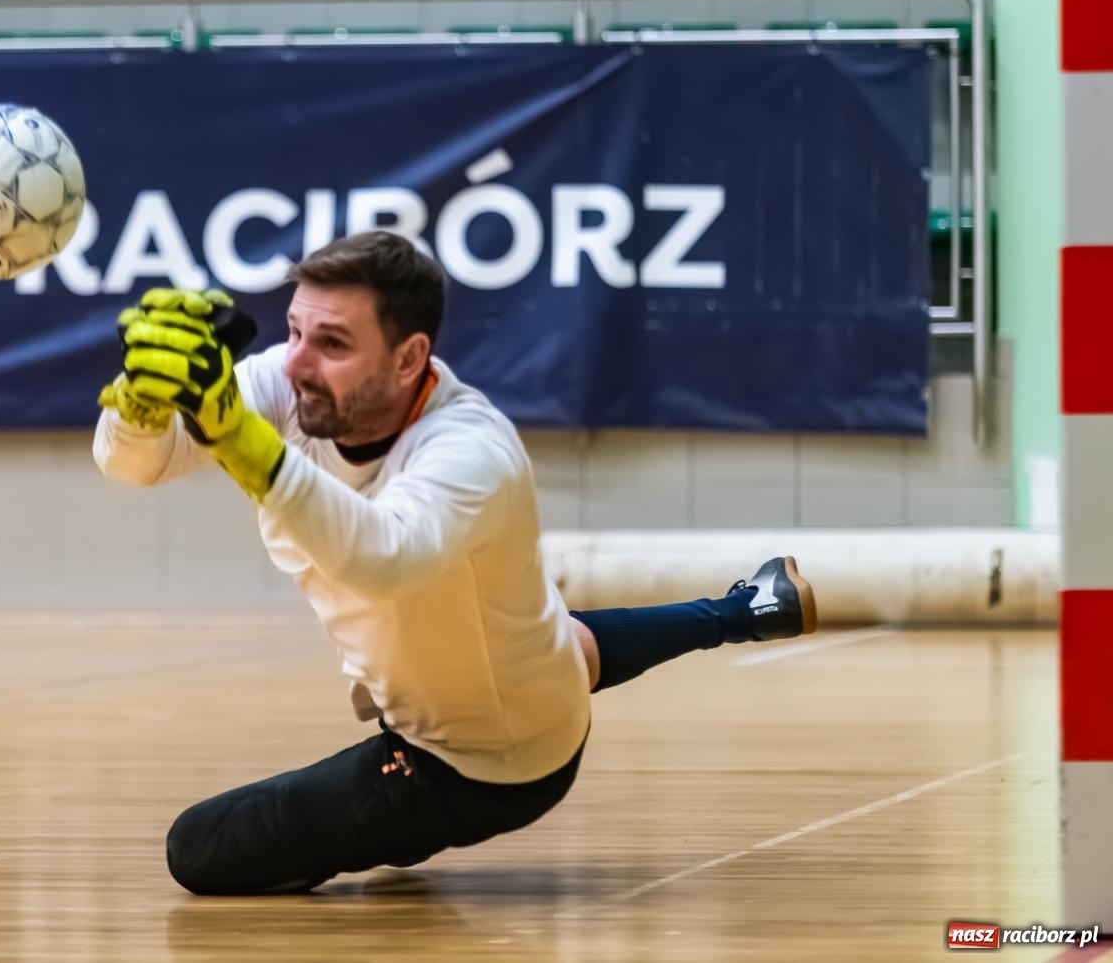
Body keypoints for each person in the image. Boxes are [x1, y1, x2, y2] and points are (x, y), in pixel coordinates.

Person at [93, 230, 817, 896]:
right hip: (526, 673)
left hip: (481, 763)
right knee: (548, 643)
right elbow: (131, 464)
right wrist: (144, 402)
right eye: (293, 331)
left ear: (409, 357)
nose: (298, 363)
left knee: (197, 847)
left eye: (333, 343)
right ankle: (748, 609)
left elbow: (383, 557)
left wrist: (243, 442)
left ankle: (732, 615)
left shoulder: (471, 449)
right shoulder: (297, 386)